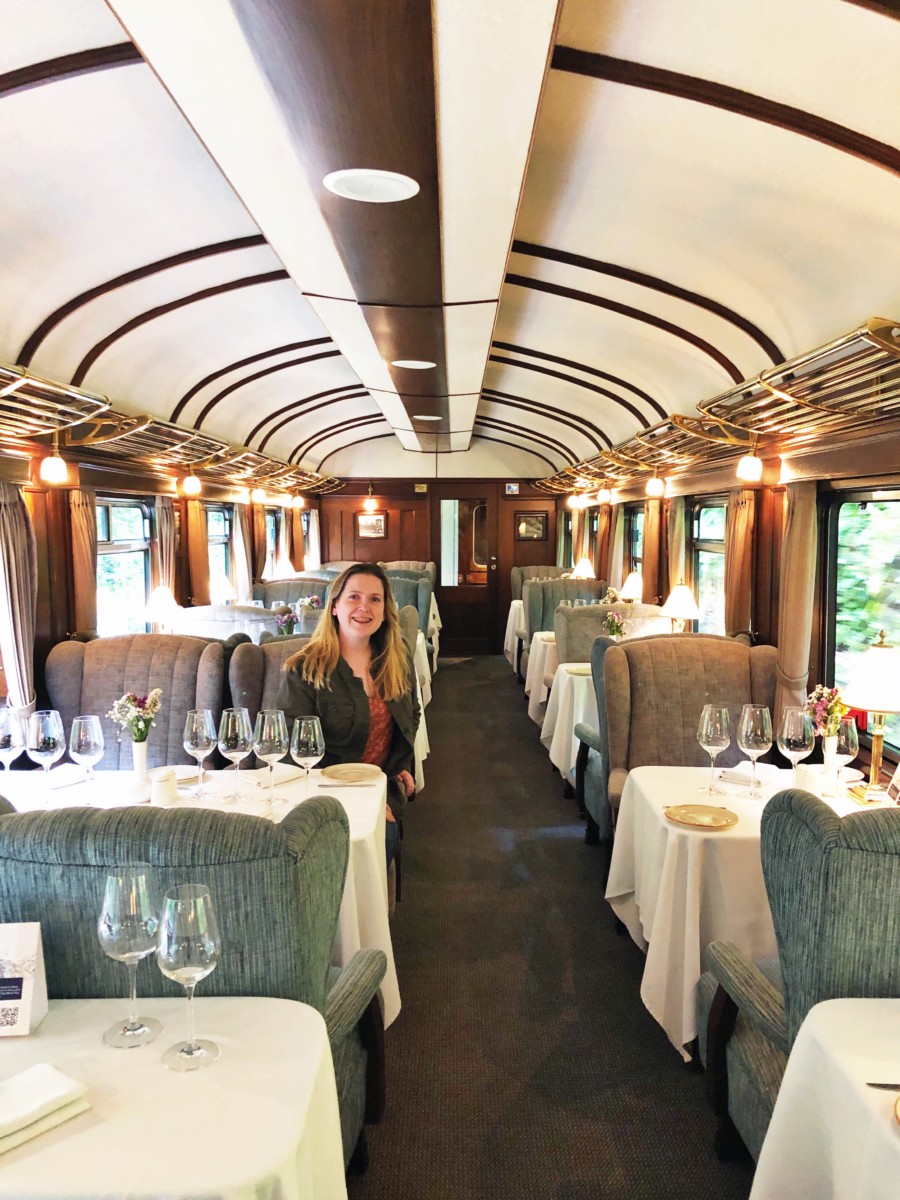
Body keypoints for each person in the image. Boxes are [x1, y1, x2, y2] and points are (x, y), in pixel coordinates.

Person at [276, 563, 420, 866]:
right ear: (334, 607)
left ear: (384, 610)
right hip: (322, 795)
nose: (364, 608)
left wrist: (399, 763)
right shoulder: (305, 670)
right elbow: (293, 753)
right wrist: (354, 800)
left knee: (380, 836)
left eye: (375, 599)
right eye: (354, 597)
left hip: (381, 786)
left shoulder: (397, 657)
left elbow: (412, 714)